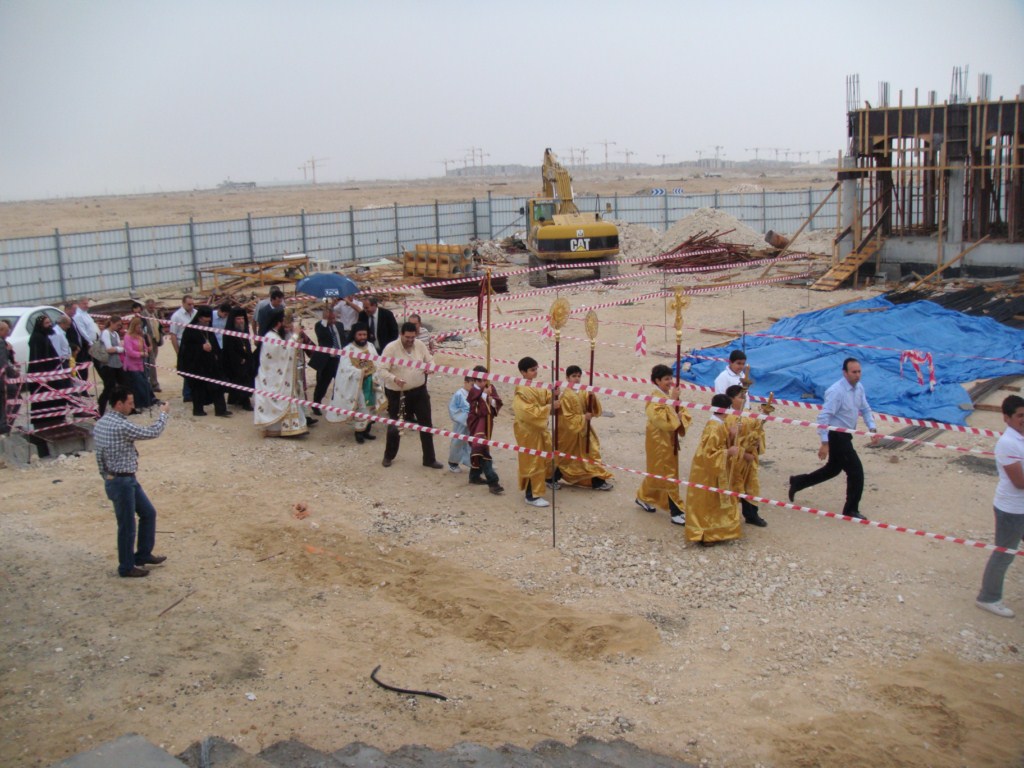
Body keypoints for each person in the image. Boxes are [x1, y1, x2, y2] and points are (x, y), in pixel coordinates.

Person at [788, 358, 882, 520]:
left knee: (833, 469)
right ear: (845, 373)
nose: (857, 375)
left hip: (846, 434)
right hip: (836, 435)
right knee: (856, 472)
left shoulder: (859, 388)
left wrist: (872, 429)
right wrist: (825, 443)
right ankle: (850, 509)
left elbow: (866, 409)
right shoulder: (836, 391)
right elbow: (823, 417)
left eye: (859, 371)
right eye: (854, 372)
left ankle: (798, 482)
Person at [93, 387, 170, 578]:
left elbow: (99, 456)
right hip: (123, 481)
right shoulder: (121, 426)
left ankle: (142, 554)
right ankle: (126, 566)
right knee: (127, 525)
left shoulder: (101, 423)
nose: (132, 406)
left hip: (119, 478)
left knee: (148, 513)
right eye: (130, 403)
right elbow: (152, 431)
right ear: (119, 404)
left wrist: (106, 476)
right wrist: (163, 414)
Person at [975, 395, 1024, 618]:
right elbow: (1019, 481)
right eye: (1020, 415)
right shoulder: (1007, 443)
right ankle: (988, 597)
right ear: (1006, 418)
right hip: (1011, 510)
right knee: (1004, 554)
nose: (1023, 419)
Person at [377, 321, 441, 468]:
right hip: (397, 393)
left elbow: (430, 360)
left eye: (413, 337)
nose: (410, 340)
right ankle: (388, 456)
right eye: (407, 337)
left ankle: (429, 459)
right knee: (395, 425)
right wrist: (394, 379)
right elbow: (381, 370)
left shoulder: (420, 345)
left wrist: (430, 367)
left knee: (426, 424)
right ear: (401, 335)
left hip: (419, 391)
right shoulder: (391, 348)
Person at [635, 364, 692, 525]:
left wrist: (679, 415)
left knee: (657, 471)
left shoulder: (669, 395)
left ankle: (643, 496)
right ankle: (676, 511)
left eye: (670, 378)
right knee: (668, 474)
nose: (670, 382)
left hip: (668, 439)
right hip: (659, 440)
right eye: (666, 379)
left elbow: (682, 413)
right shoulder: (654, 399)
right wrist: (673, 406)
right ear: (657, 380)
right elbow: (661, 420)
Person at [685, 393, 742, 545]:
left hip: (715, 467)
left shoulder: (718, 424)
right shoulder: (714, 428)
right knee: (709, 502)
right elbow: (708, 454)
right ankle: (707, 534)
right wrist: (728, 452)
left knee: (715, 501)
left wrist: (731, 435)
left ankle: (716, 532)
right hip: (709, 471)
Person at [554, 365, 614, 491]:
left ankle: (597, 481)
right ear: (567, 378)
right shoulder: (565, 396)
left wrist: (592, 396)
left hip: (583, 430)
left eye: (578, 376)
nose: (577, 379)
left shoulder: (583, 391)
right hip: (570, 432)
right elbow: (567, 417)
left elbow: (592, 408)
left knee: (591, 453)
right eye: (573, 376)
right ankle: (552, 477)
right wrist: (583, 417)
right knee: (567, 458)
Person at [253, 309, 308, 438]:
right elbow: (284, 352)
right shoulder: (271, 337)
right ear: (278, 323)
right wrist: (295, 335)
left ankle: (291, 427)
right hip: (274, 377)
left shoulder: (274, 335)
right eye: (283, 321)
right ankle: (278, 429)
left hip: (277, 375)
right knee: (282, 396)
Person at [513, 356, 559, 508]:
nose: (535, 372)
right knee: (532, 462)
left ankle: (544, 483)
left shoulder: (536, 386)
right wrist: (549, 408)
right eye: (532, 370)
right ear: (523, 372)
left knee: (543, 459)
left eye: (535, 369)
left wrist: (554, 394)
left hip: (539, 430)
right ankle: (531, 495)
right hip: (528, 432)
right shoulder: (521, 391)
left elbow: (545, 397)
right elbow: (526, 412)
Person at [326, 322, 382, 443]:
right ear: (354, 335)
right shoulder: (348, 349)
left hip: (371, 382)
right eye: (360, 335)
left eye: (364, 334)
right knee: (362, 407)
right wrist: (360, 372)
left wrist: (375, 370)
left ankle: (367, 430)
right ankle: (359, 432)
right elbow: (345, 368)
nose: (362, 337)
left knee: (370, 406)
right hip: (358, 384)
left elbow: (377, 361)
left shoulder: (370, 346)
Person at [724, 384, 769, 527]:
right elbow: (728, 442)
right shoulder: (728, 418)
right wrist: (743, 454)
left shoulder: (749, 414)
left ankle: (751, 514)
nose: (743, 399)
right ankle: (729, 516)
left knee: (751, 486)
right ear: (731, 399)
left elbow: (757, 430)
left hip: (750, 457)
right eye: (740, 397)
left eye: (744, 396)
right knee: (734, 485)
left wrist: (762, 423)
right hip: (736, 460)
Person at [177, 306, 230, 418]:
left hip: (211, 363)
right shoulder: (190, 330)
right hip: (197, 364)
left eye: (208, 321)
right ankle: (198, 410)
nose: (207, 323)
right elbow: (186, 349)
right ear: (199, 318)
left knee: (217, 385)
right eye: (205, 321)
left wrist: (216, 354)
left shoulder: (208, 329)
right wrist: (201, 347)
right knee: (198, 388)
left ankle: (221, 410)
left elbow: (214, 343)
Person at [466, 365, 504, 495]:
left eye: (485, 379)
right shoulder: (473, 391)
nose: (483, 383)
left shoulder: (490, 387)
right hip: (477, 423)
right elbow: (477, 410)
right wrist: (484, 396)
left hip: (487, 423)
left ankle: (474, 475)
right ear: (474, 380)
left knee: (480, 449)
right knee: (481, 448)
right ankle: (493, 481)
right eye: (480, 380)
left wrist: (491, 399)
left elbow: (497, 402)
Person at [27, 315, 67, 428]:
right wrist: (43, 376)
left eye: (50, 322)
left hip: (51, 373)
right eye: (46, 323)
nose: (49, 325)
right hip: (42, 376)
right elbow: (36, 358)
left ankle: (56, 419)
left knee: (57, 397)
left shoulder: (44, 336)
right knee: (43, 400)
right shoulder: (36, 338)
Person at [310, 307, 346, 415]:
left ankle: (337, 404)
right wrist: (325, 321)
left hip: (340, 359)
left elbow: (343, 339)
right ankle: (316, 404)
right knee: (323, 384)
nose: (333, 321)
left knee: (340, 383)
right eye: (330, 319)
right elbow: (321, 336)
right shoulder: (320, 326)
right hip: (328, 360)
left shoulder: (340, 325)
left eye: (334, 318)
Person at [221, 307, 255, 411]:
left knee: (246, 379)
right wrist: (239, 359)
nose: (241, 321)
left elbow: (247, 345)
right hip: (235, 361)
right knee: (239, 380)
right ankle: (245, 402)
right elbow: (229, 349)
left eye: (242, 319)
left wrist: (248, 356)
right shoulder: (229, 332)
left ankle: (239, 399)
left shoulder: (244, 330)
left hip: (245, 359)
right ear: (233, 320)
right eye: (238, 319)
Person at [96, 316, 128, 416]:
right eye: (117, 325)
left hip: (116, 363)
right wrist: (120, 349)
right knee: (109, 387)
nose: (119, 327)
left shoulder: (115, 334)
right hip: (108, 364)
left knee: (123, 385)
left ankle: (121, 407)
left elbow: (117, 346)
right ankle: (100, 409)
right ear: (112, 323)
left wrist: (118, 348)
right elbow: (109, 349)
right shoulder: (106, 333)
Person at [123, 317, 156, 409]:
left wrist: (146, 351)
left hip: (141, 364)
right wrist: (141, 354)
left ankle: (148, 401)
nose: (140, 329)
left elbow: (145, 347)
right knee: (138, 384)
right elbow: (129, 352)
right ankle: (139, 403)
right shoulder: (127, 337)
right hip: (131, 365)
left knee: (144, 382)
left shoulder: (140, 337)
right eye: (138, 327)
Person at [168, 295, 196, 402]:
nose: (191, 306)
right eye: (189, 304)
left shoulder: (196, 313)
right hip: (183, 344)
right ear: (183, 303)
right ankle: (187, 394)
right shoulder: (176, 316)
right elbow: (173, 335)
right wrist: (177, 351)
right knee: (187, 370)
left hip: (195, 345)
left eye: (192, 304)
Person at [447, 376, 473, 472]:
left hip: (472, 424)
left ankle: (472, 463)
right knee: (457, 442)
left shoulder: (475, 394)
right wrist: (466, 418)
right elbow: (453, 409)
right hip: (461, 423)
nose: (473, 387)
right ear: (465, 382)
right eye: (472, 385)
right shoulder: (459, 394)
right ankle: (453, 463)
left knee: (471, 443)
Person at [141, 298, 164, 392]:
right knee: (152, 363)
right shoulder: (143, 316)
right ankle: (154, 384)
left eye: (153, 307)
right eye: (150, 308)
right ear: (146, 306)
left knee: (152, 363)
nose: (152, 309)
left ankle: (150, 382)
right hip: (148, 342)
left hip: (155, 340)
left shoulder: (155, 314)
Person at [0, 321, 18, 434]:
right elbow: (3, 363)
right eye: (7, 331)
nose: (8, 333)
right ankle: (4, 427)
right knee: (15, 398)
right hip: (2, 379)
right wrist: (14, 373)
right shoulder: (1, 343)